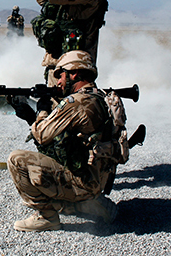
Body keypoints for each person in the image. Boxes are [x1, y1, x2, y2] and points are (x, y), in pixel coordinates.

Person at [7, 50, 127, 232]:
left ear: (75, 73)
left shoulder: (76, 103)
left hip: (84, 181)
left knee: (17, 160)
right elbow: (61, 141)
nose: (59, 81)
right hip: (99, 178)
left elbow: (41, 135)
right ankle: (94, 204)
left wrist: (42, 110)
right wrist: (31, 117)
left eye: (61, 75)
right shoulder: (102, 97)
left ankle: (46, 217)